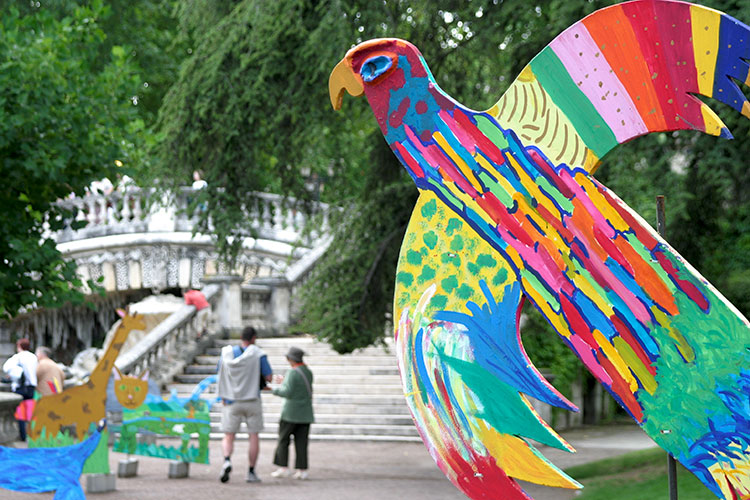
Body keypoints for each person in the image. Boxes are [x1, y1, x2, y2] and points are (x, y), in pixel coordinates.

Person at [216, 326, 272, 484]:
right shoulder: (258, 354)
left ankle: (227, 460)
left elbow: (219, 373)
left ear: (241, 337)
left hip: (231, 400)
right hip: (252, 399)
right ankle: (251, 471)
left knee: (228, 435)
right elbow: (268, 376)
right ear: (254, 338)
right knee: (253, 435)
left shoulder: (227, 353)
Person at [269, 346, 314, 480]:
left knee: (283, 440)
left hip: (290, 413)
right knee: (302, 442)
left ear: (291, 359)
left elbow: (287, 392)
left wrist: (272, 389)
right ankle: (302, 470)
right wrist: (285, 382)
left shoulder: (292, 372)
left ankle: (283, 467)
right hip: (305, 413)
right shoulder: (308, 372)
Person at [3, 339, 38, 440]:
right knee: (30, 411)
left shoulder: (18, 357)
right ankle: (31, 434)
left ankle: (23, 436)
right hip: (31, 387)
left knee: (21, 412)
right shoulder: (33, 357)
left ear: (19, 346)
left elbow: (6, 367)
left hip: (21, 387)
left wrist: (13, 374)